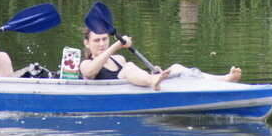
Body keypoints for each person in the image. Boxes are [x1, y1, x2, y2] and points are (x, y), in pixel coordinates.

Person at [79, 28, 243, 90]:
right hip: (115, 95)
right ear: (87, 43)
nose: (102, 43)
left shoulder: (118, 59)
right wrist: (116, 45)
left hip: (142, 83)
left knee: (176, 67)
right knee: (129, 66)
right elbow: (92, 71)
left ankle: (223, 79)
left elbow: (133, 75)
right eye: (96, 40)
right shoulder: (85, 64)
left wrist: (153, 72)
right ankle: (153, 81)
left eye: (104, 39)